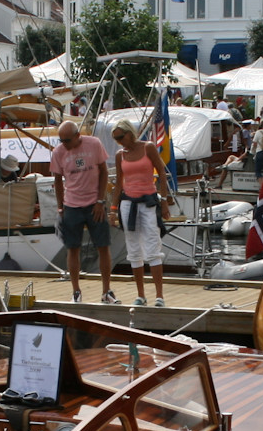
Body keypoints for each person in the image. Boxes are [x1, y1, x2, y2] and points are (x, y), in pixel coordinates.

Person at [108, 119, 174, 307]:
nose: (119, 142)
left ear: (130, 134)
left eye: (121, 137)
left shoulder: (148, 147)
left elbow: (161, 173)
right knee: (133, 249)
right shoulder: (120, 155)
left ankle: (159, 296)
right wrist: (113, 210)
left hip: (148, 202)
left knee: (153, 245)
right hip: (128, 203)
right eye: (116, 139)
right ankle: (141, 295)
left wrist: (164, 201)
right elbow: (119, 183)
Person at [49, 121, 115, 305]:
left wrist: (100, 201)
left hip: (94, 203)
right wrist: (60, 208)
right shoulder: (58, 152)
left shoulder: (94, 144)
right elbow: (57, 180)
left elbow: (104, 172)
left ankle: (106, 291)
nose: (64, 144)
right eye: (61, 140)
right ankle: (76, 291)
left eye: (67, 140)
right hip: (71, 205)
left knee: (103, 246)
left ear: (77, 136)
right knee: (72, 248)